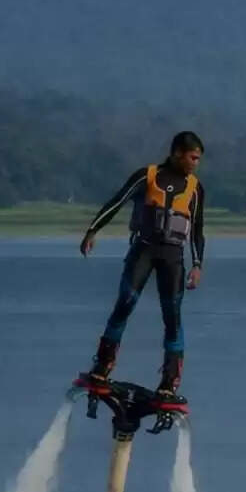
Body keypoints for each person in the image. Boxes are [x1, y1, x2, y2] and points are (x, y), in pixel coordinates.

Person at [80, 131, 206, 398]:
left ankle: (169, 381)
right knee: (125, 302)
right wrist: (93, 230)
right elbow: (117, 201)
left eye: (198, 159)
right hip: (144, 250)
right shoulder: (146, 176)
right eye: (193, 157)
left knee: (172, 316)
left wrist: (197, 264)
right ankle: (103, 365)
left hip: (172, 257)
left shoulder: (195, 188)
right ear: (177, 153)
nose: (196, 163)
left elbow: (197, 230)